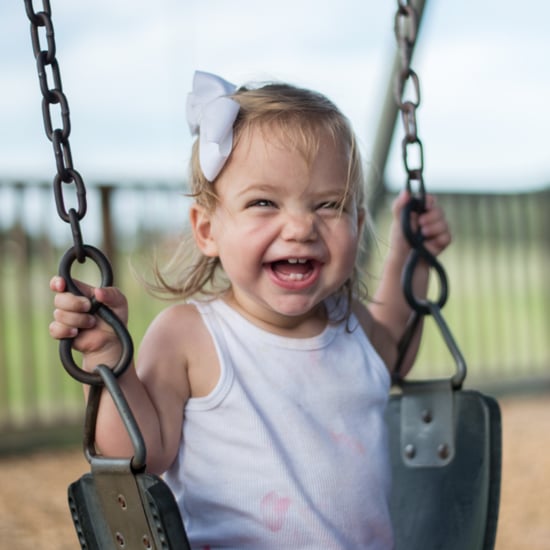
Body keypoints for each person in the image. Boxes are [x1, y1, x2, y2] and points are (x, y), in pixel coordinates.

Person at [49, 71, 451, 549]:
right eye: (264, 202)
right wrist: (107, 357)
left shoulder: (349, 321)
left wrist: (409, 254)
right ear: (207, 229)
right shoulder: (190, 337)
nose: (301, 227)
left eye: (328, 205)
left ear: (358, 226)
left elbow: (394, 354)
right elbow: (137, 453)